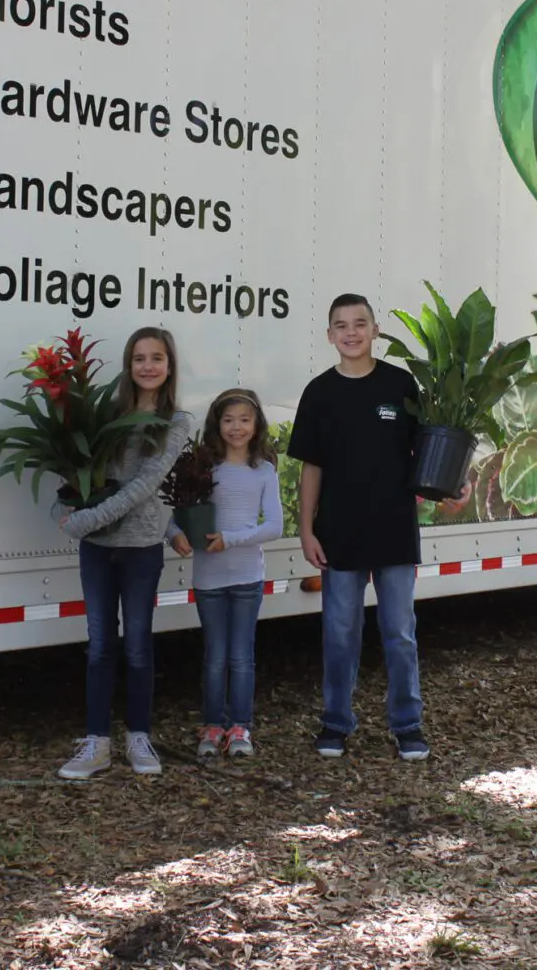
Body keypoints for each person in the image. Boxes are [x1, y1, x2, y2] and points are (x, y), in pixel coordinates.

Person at [286, 294, 429, 761]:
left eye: (360, 323)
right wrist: (306, 530)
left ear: (375, 330)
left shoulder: (400, 385)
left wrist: (454, 484)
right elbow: (312, 469)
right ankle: (335, 723)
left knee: (399, 633)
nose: (351, 332)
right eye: (341, 325)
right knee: (340, 633)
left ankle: (407, 725)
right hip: (337, 535)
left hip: (393, 532)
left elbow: (429, 452)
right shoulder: (319, 393)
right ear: (329, 335)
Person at [55, 326, 194, 780]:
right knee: (99, 648)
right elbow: (79, 477)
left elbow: (143, 488)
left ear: (169, 366)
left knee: (136, 647)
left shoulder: (175, 422)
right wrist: (62, 509)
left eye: (157, 357)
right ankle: (96, 743)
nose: (148, 366)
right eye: (139, 358)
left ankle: (138, 737)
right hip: (97, 551)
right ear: (128, 365)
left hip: (138, 551)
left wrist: (81, 523)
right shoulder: (105, 415)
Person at [172, 389, 284, 759]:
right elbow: (177, 515)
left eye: (245, 420)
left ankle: (240, 726)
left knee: (241, 657)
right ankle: (213, 725)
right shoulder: (203, 469)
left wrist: (231, 539)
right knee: (215, 657)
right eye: (228, 420)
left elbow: (274, 527)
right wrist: (175, 536)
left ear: (256, 425)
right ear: (216, 424)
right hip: (209, 579)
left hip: (248, 577)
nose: (236, 427)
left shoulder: (263, 470)